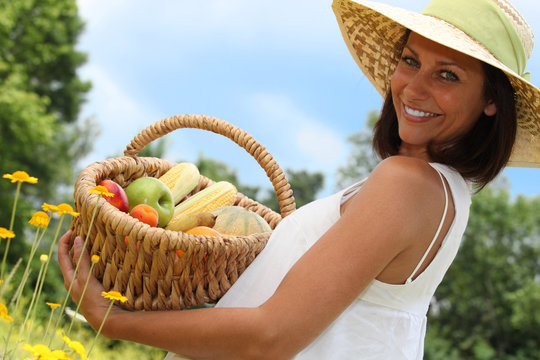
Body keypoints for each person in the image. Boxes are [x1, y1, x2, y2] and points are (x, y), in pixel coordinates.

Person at [58, 0, 540, 359]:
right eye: (411, 60)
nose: (414, 87)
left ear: (491, 101)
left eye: (449, 75)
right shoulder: (444, 194)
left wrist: (115, 318)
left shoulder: (408, 182)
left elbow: (272, 335)